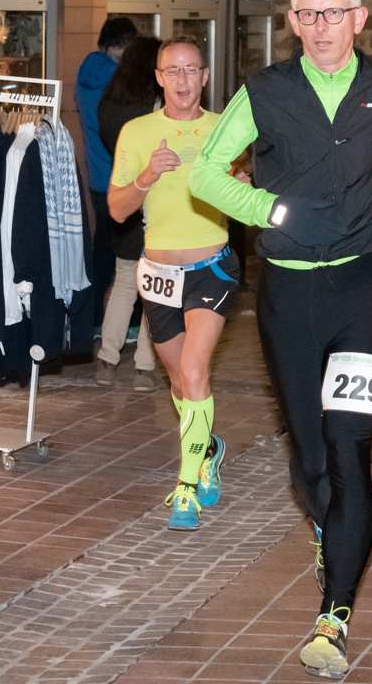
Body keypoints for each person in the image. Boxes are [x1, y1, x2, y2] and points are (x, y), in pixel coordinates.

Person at [188, 0, 372, 680]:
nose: (321, 28)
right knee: (310, 464)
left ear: (359, 18)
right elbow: (204, 173)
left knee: (348, 449)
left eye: (334, 13)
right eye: (307, 15)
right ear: (292, 22)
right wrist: (270, 210)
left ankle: (333, 617)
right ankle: (329, 532)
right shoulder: (264, 91)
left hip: (364, 292)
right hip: (290, 298)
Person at [107, 36, 238, 529]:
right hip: (158, 275)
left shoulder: (224, 128)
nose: (183, 80)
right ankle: (208, 449)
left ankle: (185, 489)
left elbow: (241, 192)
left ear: (205, 76)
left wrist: (240, 187)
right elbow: (117, 210)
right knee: (181, 382)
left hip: (211, 268)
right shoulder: (137, 132)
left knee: (196, 371)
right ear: (159, 78)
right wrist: (147, 176)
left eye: (191, 70)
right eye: (173, 71)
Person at [96, 36, 163, 391]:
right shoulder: (157, 105)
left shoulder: (108, 102)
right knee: (154, 286)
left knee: (123, 281)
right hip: (153, 199)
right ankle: (144, 368)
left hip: (121, 194)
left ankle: (107, 359)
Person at [78, 17, 139, 331]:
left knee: (102, 250)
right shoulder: (120, 80)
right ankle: (132, 323)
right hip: (122, 177)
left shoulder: (86, 71)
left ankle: (91, 319)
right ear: (126, 44)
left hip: (97, 177)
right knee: (130, 254)